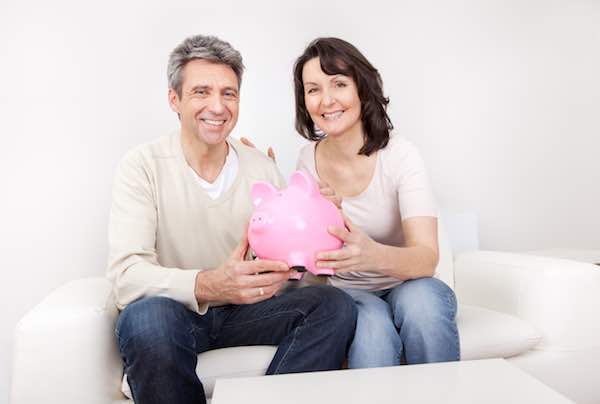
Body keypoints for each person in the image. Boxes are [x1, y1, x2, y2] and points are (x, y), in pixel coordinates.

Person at [107, 34, 357, 404]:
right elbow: (126, 277)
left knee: (334, 306)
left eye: (229, 93)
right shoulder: (142, 166)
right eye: (201, 92)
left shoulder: (262, 170)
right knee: (145, 318)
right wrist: (211, 284)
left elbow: (294, 268)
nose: (217, 106)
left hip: (247, 314)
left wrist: (323, 235)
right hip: (176, 314)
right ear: (174, 99)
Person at [292, 37, 460, 369]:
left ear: (361, 88)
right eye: (313, 89)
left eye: (339, 83)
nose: (326, 100)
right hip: (349, 293)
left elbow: (427, 258)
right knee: (372, 332)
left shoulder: (401, 155)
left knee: (423, 308)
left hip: (410, 282)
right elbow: (309, 262)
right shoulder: (306, 161)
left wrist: (370, 254)